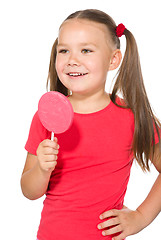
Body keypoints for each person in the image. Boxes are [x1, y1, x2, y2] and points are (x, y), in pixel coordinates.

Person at [21, 9, 161, 240]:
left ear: (113, 59)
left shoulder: (132, 116)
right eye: (64, 50)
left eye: (86, 50)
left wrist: (141, 217)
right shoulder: (47, 116)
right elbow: (29, 191)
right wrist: (42, 170)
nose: (72, 60)